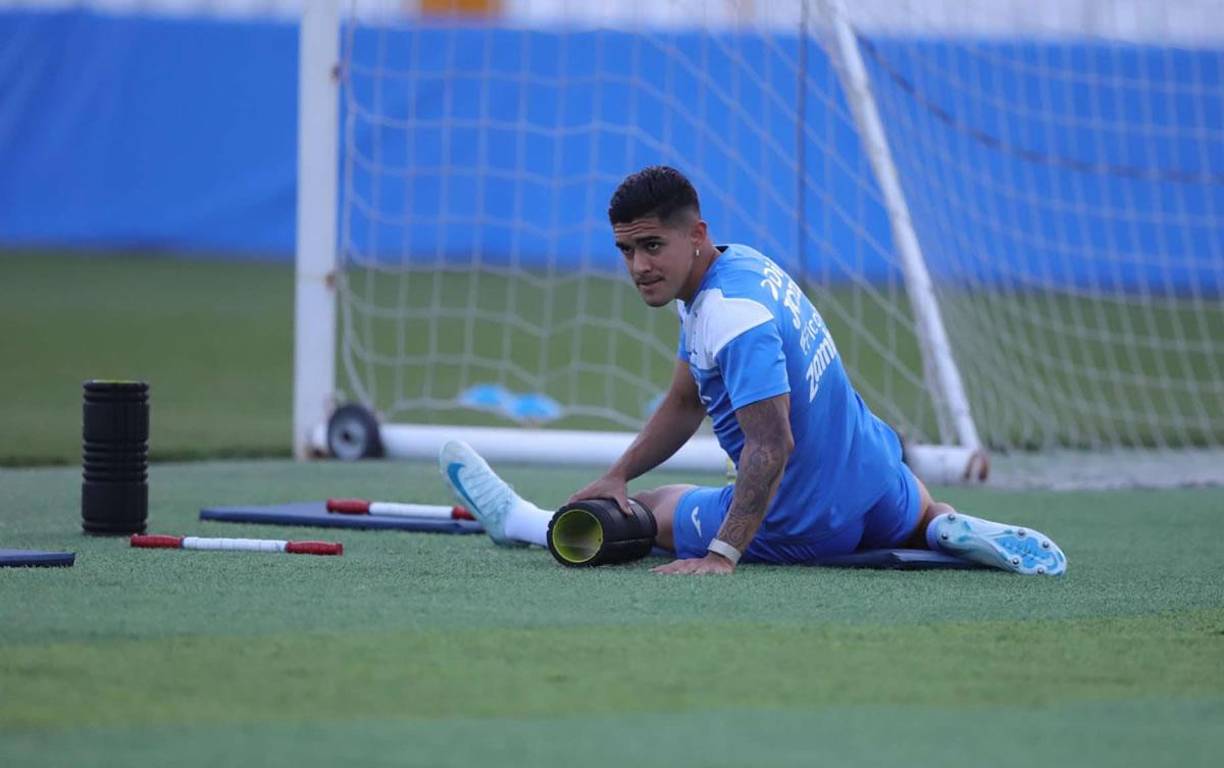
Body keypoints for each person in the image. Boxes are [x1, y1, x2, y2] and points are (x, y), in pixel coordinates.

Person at [439, 165, 1066, 576]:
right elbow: (686, 402)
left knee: (656, 507)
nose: (638, 267)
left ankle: (520, 521)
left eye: (652, 246)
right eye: (626, 250)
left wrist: (722, 552)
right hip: (882, 479)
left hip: (804, 519)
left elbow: (773, 443)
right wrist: (616, 472)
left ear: (695, 235)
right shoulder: (745, 266)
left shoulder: (728, 316)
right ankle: (942, 525)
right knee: (915, 506)